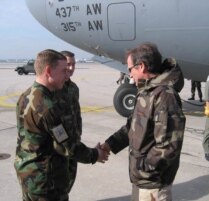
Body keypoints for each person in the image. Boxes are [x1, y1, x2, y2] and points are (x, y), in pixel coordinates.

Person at [14, 49, 108, 201]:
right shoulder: (46, 106)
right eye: (63, 70)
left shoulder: (26, 95)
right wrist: (96, 154)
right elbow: (66, 145)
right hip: (45, 181)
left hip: (28, 174)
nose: (67, 75)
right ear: (49, 71)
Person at [101, 43, 186, 201]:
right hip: (142, 181)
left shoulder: (165, 97)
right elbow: (132, 127)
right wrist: (110, 144)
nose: (129, 74)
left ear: (141, 67)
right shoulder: (146, 91)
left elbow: (168, 147)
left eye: (130, 68)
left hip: (153, 185)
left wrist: (143, 169)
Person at [55, 50, 82, 193]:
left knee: (69, 182)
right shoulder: (53, 89)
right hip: (59, 148)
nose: (71, 68)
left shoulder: (73, 88)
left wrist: (78, 136)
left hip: (74, 144)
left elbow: (77, 115)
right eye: (68, 64)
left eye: (74, 64)